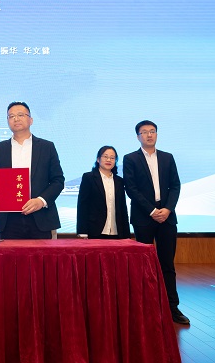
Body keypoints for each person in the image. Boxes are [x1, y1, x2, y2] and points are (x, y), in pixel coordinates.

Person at [123, 120, 189, 324]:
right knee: (144, 265)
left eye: (152, 131)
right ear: (138, 137)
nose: (149, 135)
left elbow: (175, 186)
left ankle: (172, 307)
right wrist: (152, 211)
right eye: (144, 132)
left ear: (157, 134)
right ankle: (146, 307)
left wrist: (167, 209)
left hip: (167, 216)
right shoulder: (130, 159)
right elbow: (131, 189)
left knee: (167, 263)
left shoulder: (168, 157)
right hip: (144, 217)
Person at [0, 102, 64, 239]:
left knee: (41, 254)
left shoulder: (46, 147)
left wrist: (41, 201)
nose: (16, 119)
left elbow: (58, 181)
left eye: (20, 115)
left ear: (31, 120)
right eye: (11, 116)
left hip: (39, 217)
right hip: (8, 219)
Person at [76, 145, 130, 239]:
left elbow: (123, 208)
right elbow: (82, 205)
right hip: (94, 231)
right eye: (105, 156)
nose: (109, 160)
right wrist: (82, 231)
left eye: (112, 158)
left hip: (116, 232)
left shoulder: (119, 181)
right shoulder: (89, 178)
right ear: (98, 159)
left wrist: (126, 234)